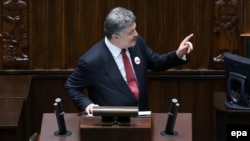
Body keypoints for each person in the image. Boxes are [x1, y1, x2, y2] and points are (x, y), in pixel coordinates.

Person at [64, 7, 194, 115]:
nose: (136, 34)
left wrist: (178, 54)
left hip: (142, 117)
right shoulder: (91, 61)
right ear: (116, 37)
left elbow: (157, 63)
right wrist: (88, 105)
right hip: (111, 124)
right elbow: (71, 86)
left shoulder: (137, 43)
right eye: (131, 32)